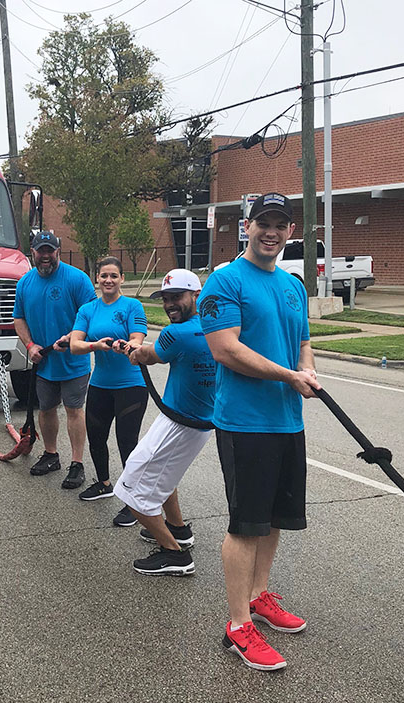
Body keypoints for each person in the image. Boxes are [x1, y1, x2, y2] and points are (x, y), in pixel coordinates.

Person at [197, 192, 320, 672]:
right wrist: (289, 376)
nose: (272, 232)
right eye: (263, 223)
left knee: (272, 520)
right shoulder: (224, 282)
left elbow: (303, 341)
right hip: (245, 423)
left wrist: (306, 370)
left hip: (288, 419)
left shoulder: (292, 287)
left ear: (291, 231)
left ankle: (259, 595)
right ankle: (237, 624)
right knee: (245, 524)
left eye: (280, 224)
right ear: (246, 226)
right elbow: (225, 350)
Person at [113, 269, 216, 575]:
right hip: (194, 422)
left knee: (130, 489)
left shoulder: (177, 334)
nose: (171, 304)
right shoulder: (211, 327)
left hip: (179, 424)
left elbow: (149, 355)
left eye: (177, 298)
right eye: (166, 299)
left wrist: (130, 350)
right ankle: (179, 529)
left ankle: (174, 555)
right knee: (164, 477)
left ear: (195, 296)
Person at [13, 231, 97, 489]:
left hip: (73, 361)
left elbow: (93, 315)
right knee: (46, 409)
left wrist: (73, 338)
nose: (46, 256)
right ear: (33, 252)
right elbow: (19, 318)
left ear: (58, 251)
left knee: (74, 410)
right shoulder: (25, 283)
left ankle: (77, 463)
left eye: (51, 250)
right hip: (44, 362)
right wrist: (29, 345)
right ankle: (51, 455)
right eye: (41, 251)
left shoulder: (77, 280)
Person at [69, 256, 148, 527]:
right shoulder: (88, 309)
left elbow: (138, 338)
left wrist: (127, 343)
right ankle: (104, 483)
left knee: (127, 443)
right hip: (100, 384)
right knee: (96, 438)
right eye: (104, 276)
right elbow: (75, 344)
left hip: (131, 385)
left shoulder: (132, 305)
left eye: (114, 275)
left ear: (122, 279)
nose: (108, 281)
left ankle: (133, 502)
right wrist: (96, 346)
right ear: (97, 279)